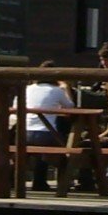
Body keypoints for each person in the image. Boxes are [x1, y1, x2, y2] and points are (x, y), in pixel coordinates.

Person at [18, 63, 76, 194]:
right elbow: (70, 108)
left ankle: (28, 182)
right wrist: (66, 87)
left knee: (39, 148)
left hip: (23, 134)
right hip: (46, 135)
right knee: (66, 149)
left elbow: (16, 106)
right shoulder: (57, 90)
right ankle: (58, 186)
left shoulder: (27, 89)